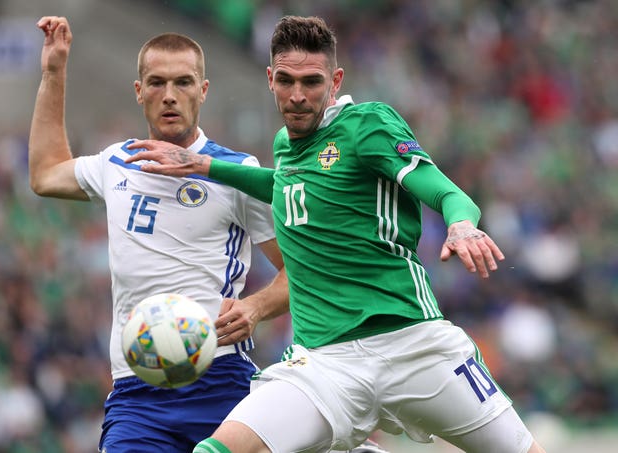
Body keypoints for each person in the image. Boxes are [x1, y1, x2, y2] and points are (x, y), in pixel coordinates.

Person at [126, 15, 547, 453]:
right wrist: (206, 166)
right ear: (270, 78)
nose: (298, 95)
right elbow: (290, 186)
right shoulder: (285, 146)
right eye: (286, 80)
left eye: (312, 81)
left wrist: (461, 224)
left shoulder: (368, 126)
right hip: (323, 363)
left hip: (414, 346)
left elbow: (445, 191)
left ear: (335, 80)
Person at [28, 16, 290, 452]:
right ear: (138, 91)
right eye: (156, 83)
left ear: (203, 91)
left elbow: (298, 271)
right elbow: (45, 174)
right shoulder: (117, 162)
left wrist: (255, 308)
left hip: (220, 384)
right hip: (137, 393)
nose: (169, 96)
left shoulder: (237, 173)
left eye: (184, 82)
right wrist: (54, 71)